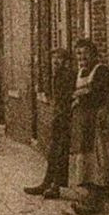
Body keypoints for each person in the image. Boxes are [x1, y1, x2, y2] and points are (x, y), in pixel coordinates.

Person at [67, 37, 109, 215]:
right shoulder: (81, 72)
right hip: (82, 124)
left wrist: (80, 96)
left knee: (97, 159)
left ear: (93, 54)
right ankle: (87, 196)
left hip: (96, 123)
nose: (81, 57)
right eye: (78, 54)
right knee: (84, 158)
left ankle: (95, 200)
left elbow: (98, 94)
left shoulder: (101, 71)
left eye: (84, 53)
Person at [24, 48, 75, 198]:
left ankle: (55, 186)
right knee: (54, 151)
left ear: (65, 61)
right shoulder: (57, 76)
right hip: (59, 117)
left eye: (59, 59)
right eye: (54, 59)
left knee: (60, 152)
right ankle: (48, 182)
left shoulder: (68, 75)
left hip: (67, 118)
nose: (55, 62)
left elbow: (68, 97)